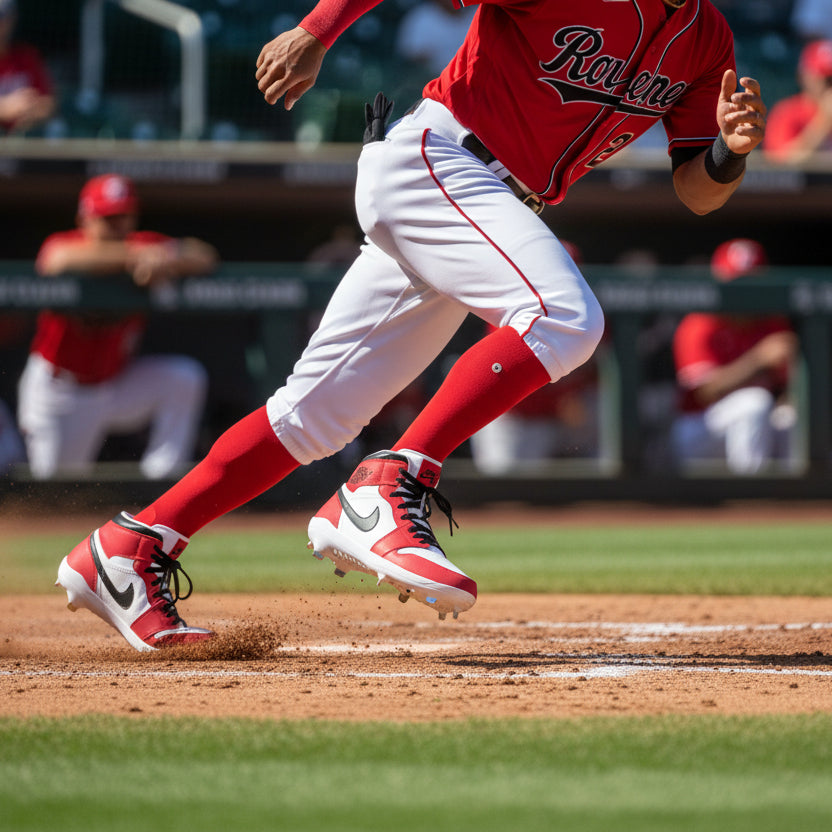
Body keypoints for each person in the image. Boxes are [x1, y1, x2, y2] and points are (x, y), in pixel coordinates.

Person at [56, 0, 768, 651]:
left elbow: (697, 192)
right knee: (564, 318)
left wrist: (729, 154)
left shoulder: (707, 35)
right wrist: (318, 30)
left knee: (313, 418)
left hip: (487, 201)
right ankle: (391, 479)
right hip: (442, 159)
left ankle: (132, 545)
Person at [18, 173, 218, 481]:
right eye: (108, 217)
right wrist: (136, 258)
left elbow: (203, 254)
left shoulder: (144, 245)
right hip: (61, 393)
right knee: (55, 493)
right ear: (84, 217)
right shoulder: (69, 244)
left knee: (183, 378)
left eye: (123, 215)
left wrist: (165, 258)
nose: (118, 225)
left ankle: (161, 484)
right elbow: (54, 260)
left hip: (115, 384)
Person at [469, 241, 602, 474]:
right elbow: (508, 372)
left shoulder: (588, 312)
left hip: (550, 418)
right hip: (509, 417)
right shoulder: (513, 308)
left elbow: (596, 368)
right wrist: (565, 390)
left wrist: (573, 392)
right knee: (500, 489)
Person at [671, 238, 798, 475]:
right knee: (754, 402)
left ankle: (799, 500)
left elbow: (786, 389)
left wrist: (792, 389)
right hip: (701, 428)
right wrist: (758, 359)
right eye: (737, 283)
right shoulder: (700, 323)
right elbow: (704, 391)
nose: (745, 291)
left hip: (753, 428)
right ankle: (750, 496)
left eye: (752, 282)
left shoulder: (773, 322)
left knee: (793, 417)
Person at [764, 39, 832, 164]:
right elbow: (779, 165)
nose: (830, 87)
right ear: (805, 77)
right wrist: (823, 123)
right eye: (827, 80)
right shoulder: (787, 112)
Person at [0, 0, 55, 135]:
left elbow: (49, 103)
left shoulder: (27, 56)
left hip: (24, 140)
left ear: (12, 19)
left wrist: (30, 110)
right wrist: (5, 107)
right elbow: (7, 109)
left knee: (55, 131)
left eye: (2, 18)